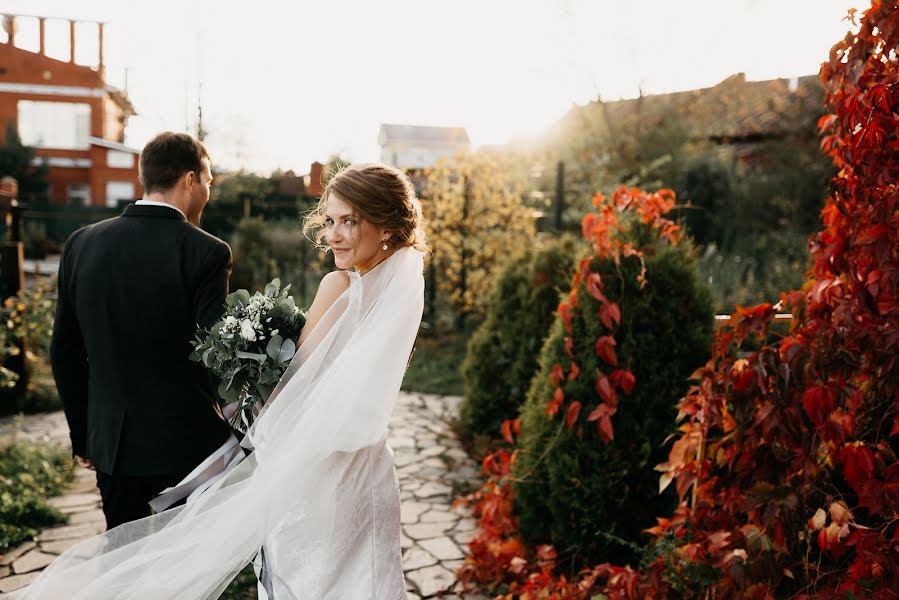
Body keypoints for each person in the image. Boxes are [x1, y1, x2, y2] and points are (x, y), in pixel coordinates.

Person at [21, 163, 426, 599]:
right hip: (369, 472)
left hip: (320, 477)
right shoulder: (403, 286)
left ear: (385, 224)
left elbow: (293, 392)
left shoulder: (339, 285)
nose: (333, 235)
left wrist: (255, 379)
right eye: (330, 220)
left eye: (349, 221)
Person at [50, 131, 232, 530]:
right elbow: (214, 354)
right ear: (190, 180)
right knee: (185, 570)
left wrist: (85, 435)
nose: (207, 192)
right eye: (208, 183)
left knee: (123, 563)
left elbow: (64, 351)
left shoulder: (80, 244)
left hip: (111, 448)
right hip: (185, 447)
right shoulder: (207, 251)